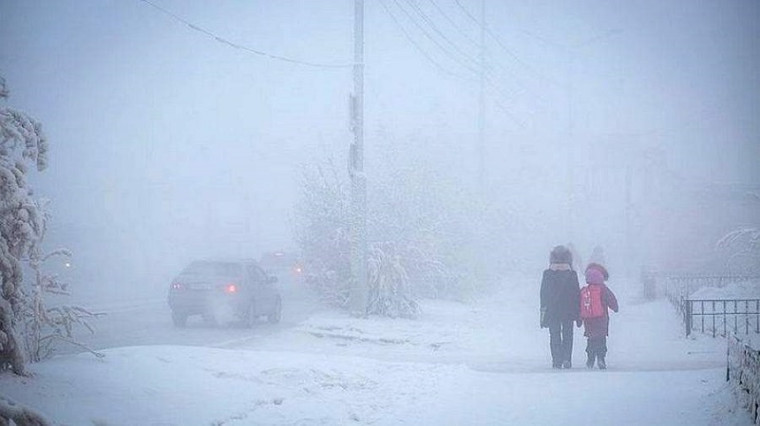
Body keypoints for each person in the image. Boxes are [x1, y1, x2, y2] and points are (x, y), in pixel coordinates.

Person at [540, 245, 582, 369]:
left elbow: (543, 295)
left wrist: (543, 314)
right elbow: (576, 294)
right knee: (568, 335)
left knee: (554, 335)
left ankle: (556, 360)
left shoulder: (547, 274)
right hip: (569, 310)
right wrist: (578, 313)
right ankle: (567, 358)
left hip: (552, 310)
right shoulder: (572, 274)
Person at [581, 263, 618, 369]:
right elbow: (612, 300)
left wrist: (579, 319)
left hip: (588, 320)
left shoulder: (585, 290)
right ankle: (601, 358)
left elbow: (580, 304)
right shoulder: (603, 289)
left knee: (591, 339)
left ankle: (590, 358)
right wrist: (615, 308)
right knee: (601, 339)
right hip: (602, 318)